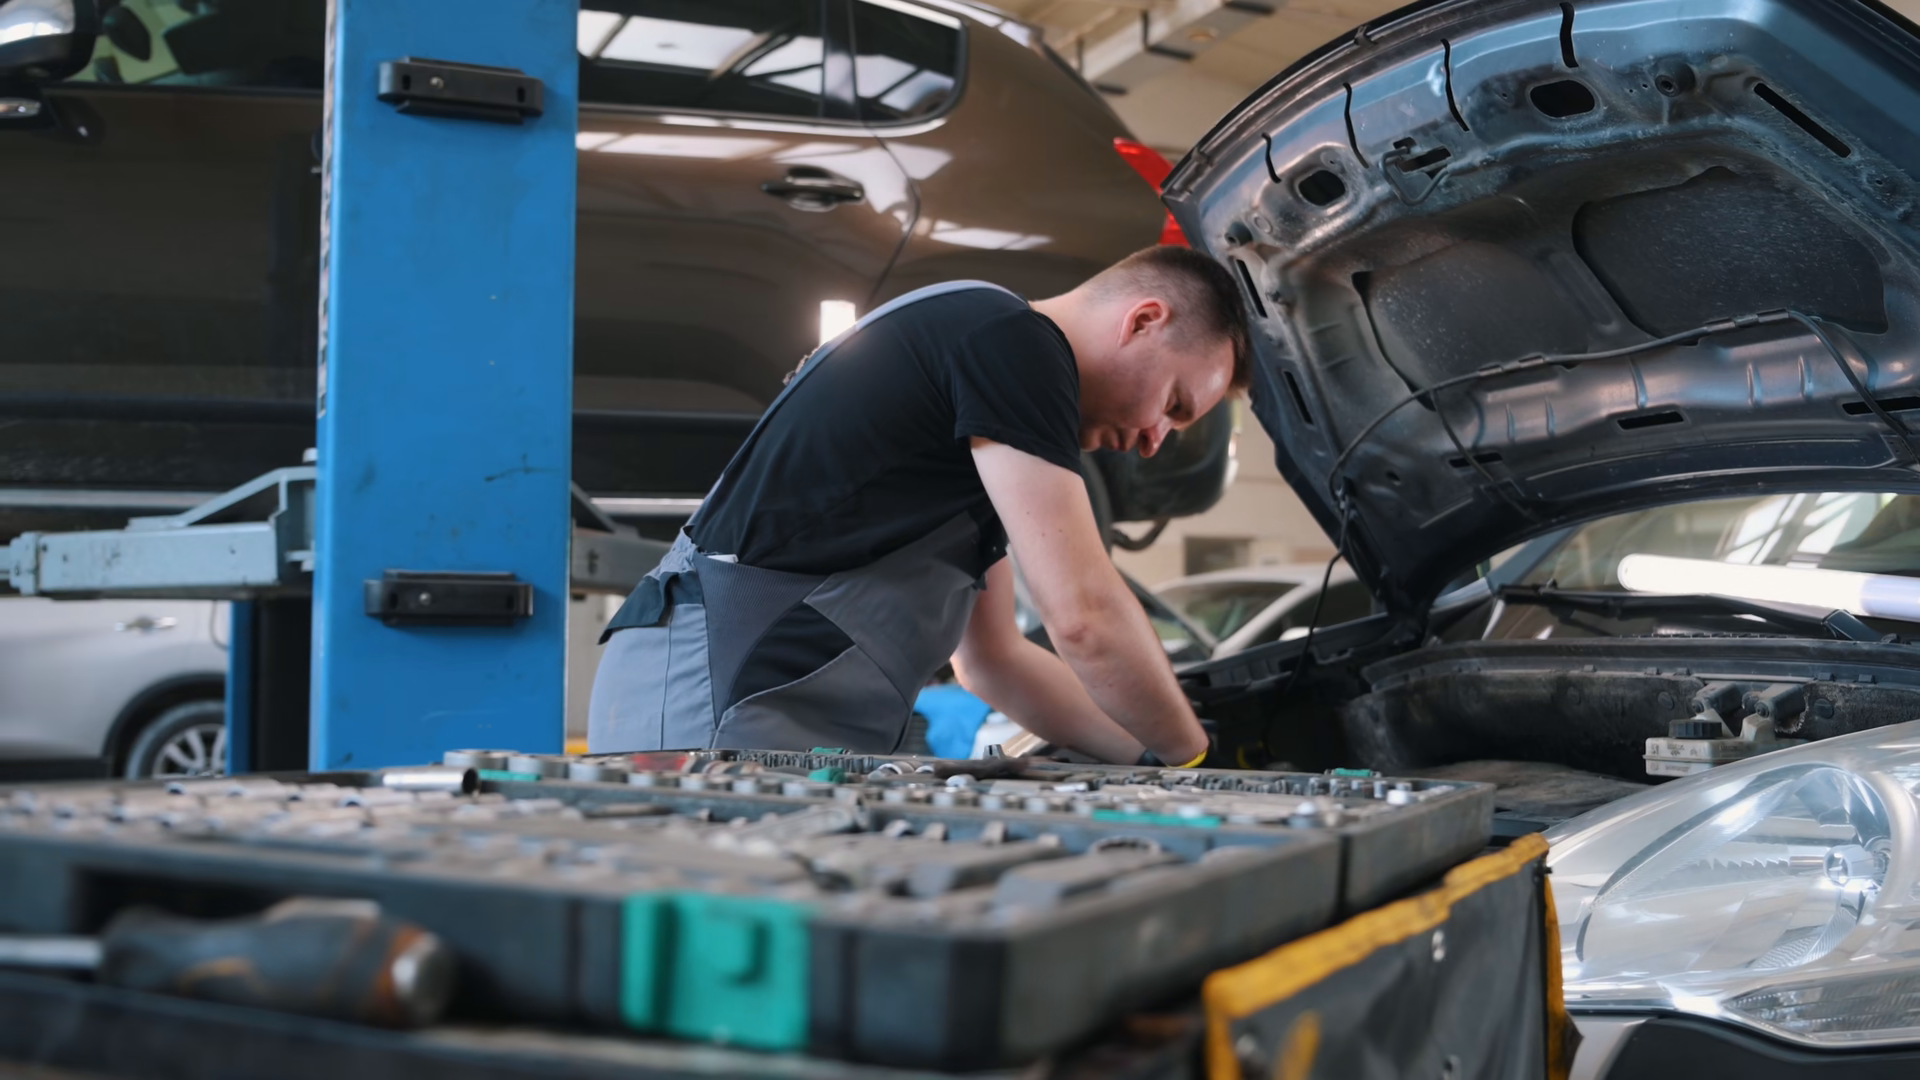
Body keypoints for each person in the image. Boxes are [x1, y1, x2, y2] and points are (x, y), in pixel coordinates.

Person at [588, 245, 1252, 765]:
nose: (1154, 442)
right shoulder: (1010, 341)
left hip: (759, 702)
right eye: (1174, 405)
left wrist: (1147, 757)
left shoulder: (985, 395)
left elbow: (995, 662)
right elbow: (1085, 618)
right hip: (717, 694)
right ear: (1143, 321)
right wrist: (1195, 757)